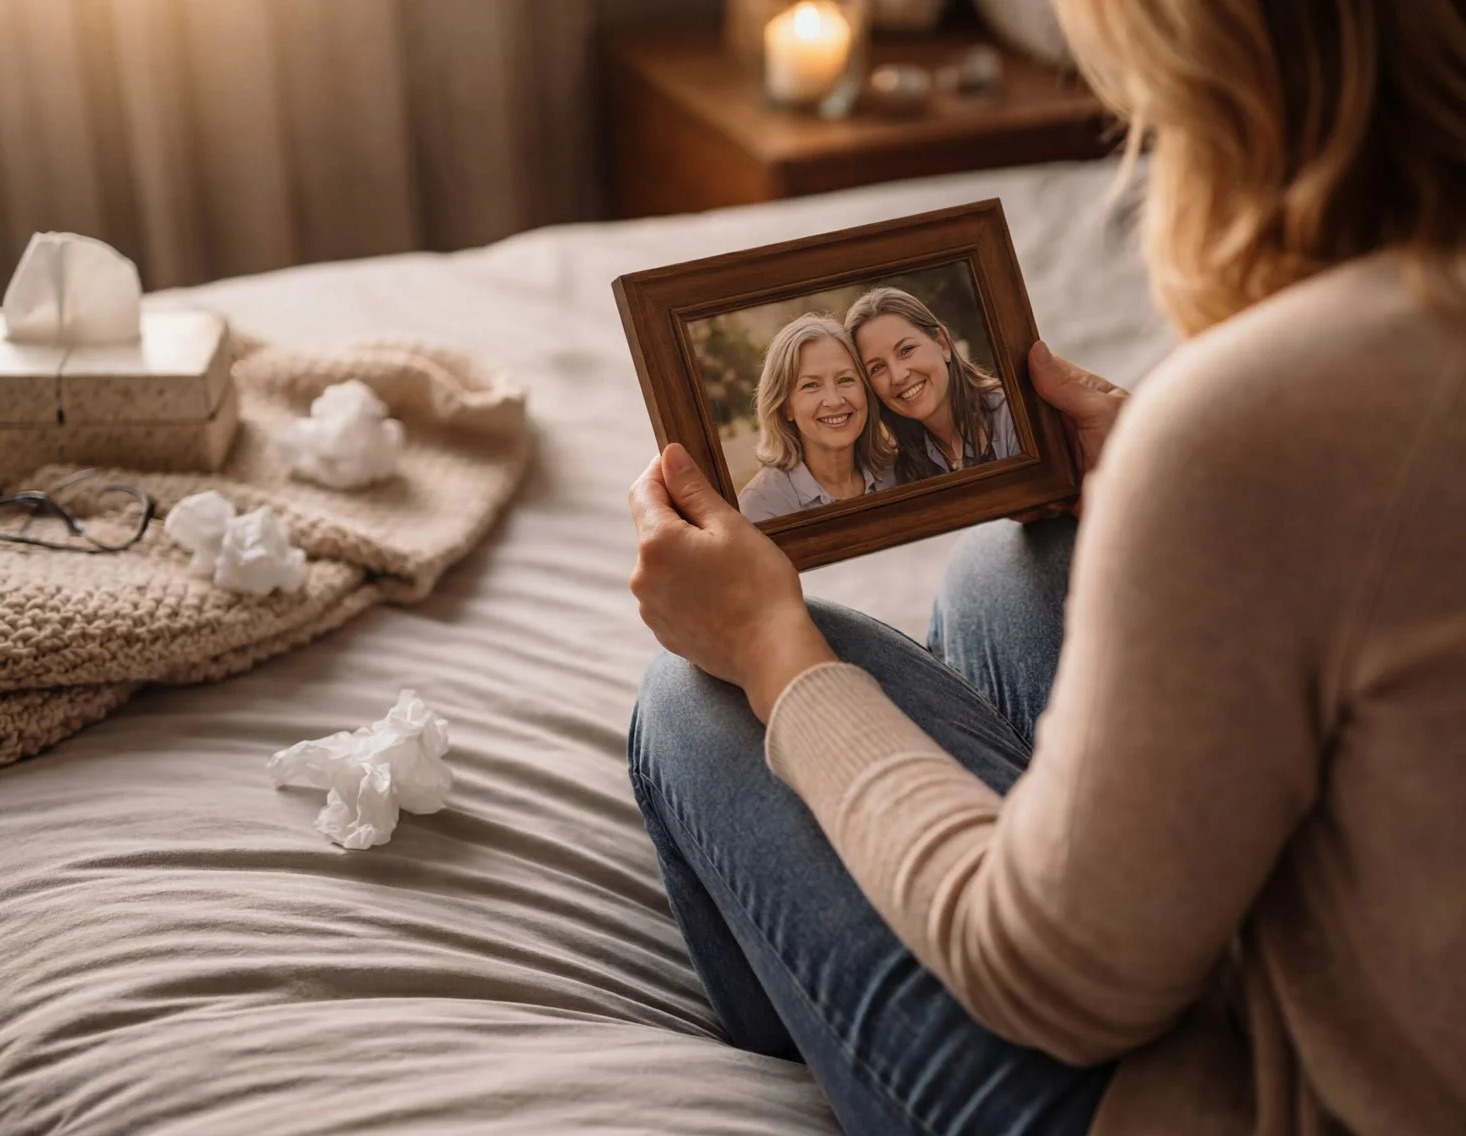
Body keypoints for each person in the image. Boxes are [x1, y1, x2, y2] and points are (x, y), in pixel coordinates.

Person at [625, 0, 1466, 1133]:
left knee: (700, 696)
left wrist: (771, 650)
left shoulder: (1278, 408)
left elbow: (1052, 984)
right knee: (1015, 569)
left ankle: (811, 1002)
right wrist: (1180, 499)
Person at [845, 287, 1021, 481]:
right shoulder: (900, 468)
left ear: (942, 343)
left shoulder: (1015, 416)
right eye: (877, 367)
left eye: (906, 350)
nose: (898, 376)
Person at [735, 314, 896, 523]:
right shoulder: (762, 505)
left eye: (845, 379)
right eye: (811, 385)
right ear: (785, 407)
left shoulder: (897, 473)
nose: (834, 400)